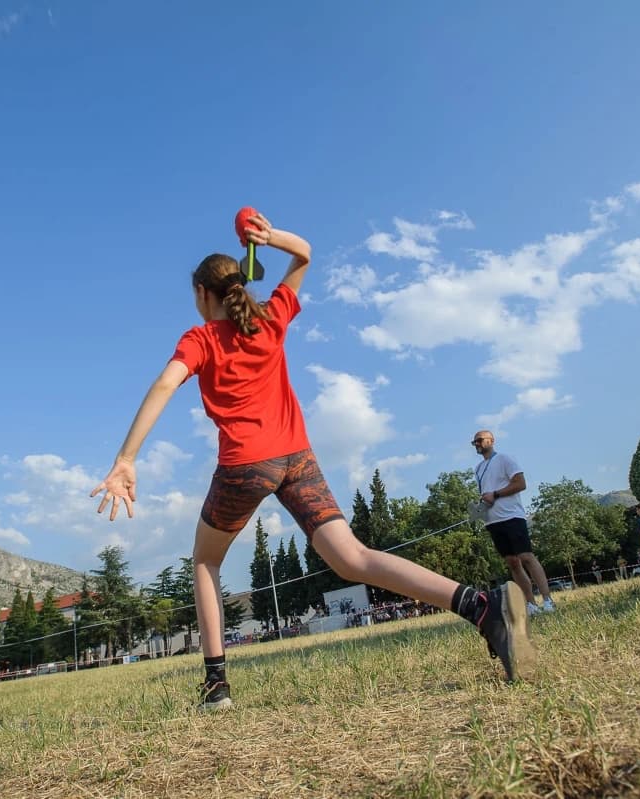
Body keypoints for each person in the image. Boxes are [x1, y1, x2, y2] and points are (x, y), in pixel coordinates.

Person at [90, 212, 536, 711]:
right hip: (297, 458)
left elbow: (166, 383)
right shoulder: (271, 319)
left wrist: (126, 459)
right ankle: (480, 607)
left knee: (205, 560)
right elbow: (304, 253)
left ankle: (216, 686)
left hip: (245, 465)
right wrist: (268, 236)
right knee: (354, 558)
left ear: (201, 295)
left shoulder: (201, 339)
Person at [472, 430, 555, 615]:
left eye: (479, 440)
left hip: (512, 516)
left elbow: (520, 483)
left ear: (491, 440)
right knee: (512, 562)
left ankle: (548, 600)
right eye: (474, 442)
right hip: (492, 521)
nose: (476, 444)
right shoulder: (477, 469)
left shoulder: (505, 459)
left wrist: (496, 494)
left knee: (526, 557)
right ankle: (531, 604)